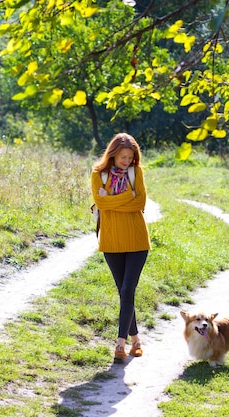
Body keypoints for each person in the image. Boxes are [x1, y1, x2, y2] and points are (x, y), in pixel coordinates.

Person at [91, 132, 151, 363]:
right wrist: (127, 197)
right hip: (111, 241)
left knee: (127, 290)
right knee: (124, 292)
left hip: (137, 240)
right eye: (123, 157)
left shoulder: (136, 173)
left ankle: (120, 344)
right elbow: (101, 203)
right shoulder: (99, 174)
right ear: (113, 154)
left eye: (130, 157)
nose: (127, 161)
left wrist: (115, 201)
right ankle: (136, 340)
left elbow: (140, 203)